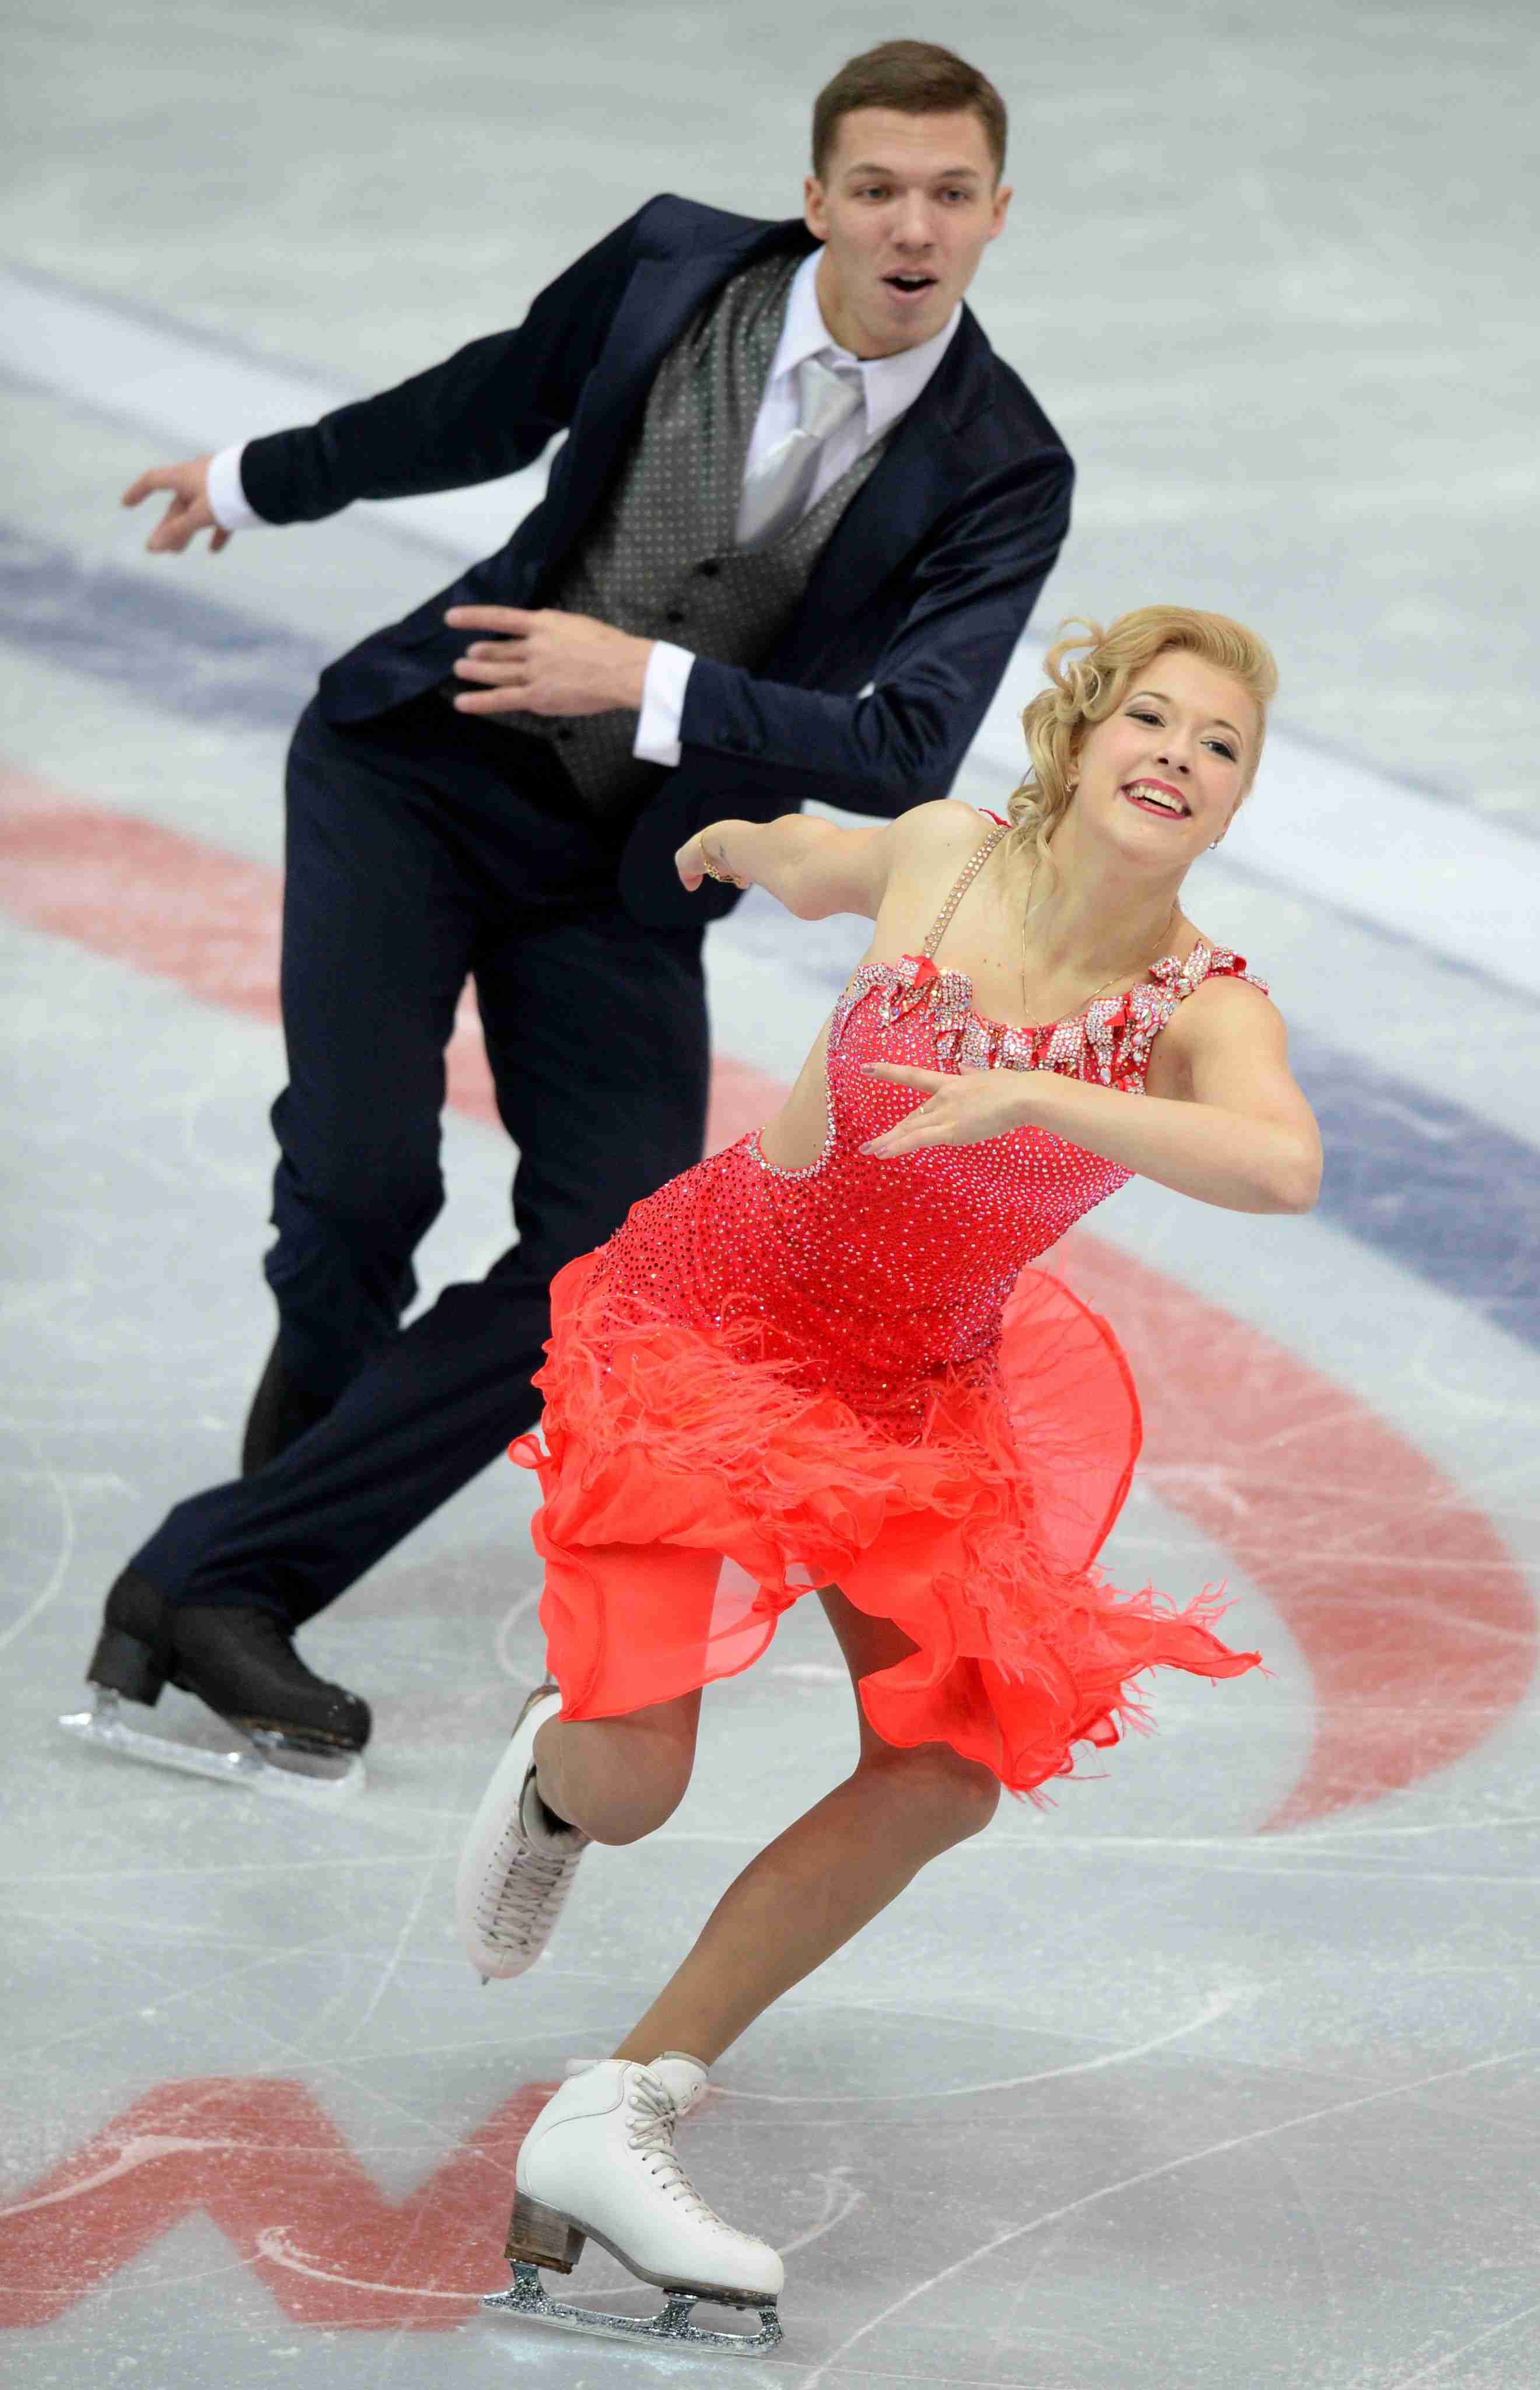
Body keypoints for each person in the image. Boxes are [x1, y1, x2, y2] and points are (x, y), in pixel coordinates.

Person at [78, 41, 1075, 1771]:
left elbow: (910, 742)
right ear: (818, 197)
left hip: (624, 872)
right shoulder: (679, 267)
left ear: (999, 213)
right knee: (361, 1186)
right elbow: (483, 402)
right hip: (416, 770)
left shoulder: (1005, 464)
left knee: (610, 1263)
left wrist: (645, 682)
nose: (913, 228)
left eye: (950, 194)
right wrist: (255, 477)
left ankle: (219, 1574)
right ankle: (241, 1572)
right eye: (878, 188)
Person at [457, 607, 1322, 2353]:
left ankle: (620, 2107)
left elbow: (1279, 1164)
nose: (1178, 754)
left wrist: (1044, 1101)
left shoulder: (1203, 1008)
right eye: (1151, 718)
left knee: (943, 1767)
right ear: (1083, 739)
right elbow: (822, 862)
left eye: (1219, 744)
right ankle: (557, 1783)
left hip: (912, 1399)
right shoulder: (947, 857)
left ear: (1234, 802)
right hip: (704, 1330)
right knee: (633, 1788)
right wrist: (744, 842)